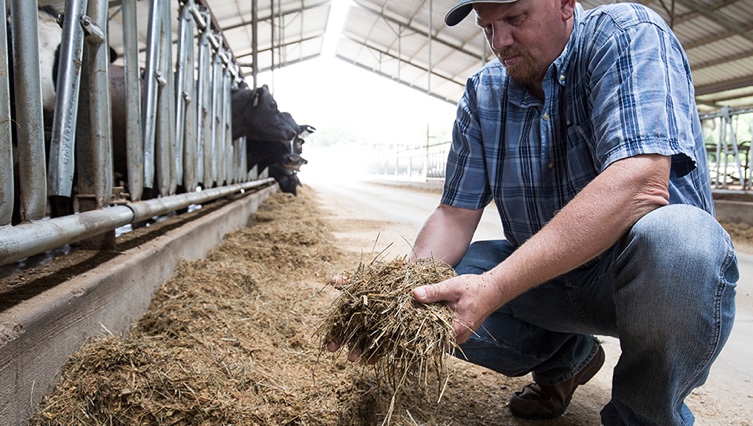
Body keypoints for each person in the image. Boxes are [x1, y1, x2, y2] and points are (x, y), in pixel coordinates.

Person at [330, 0, 738, 424]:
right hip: (549, 281)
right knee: (434, 293)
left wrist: (493, 287)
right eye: (487, 27)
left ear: (564, 4)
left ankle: (646, 416)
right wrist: (398, 293)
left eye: (514, 18)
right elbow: (454, 213)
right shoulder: (483, 92)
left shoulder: (623, 34)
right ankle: (568, 360)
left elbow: (641, 183)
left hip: (641, 278)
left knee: (682, 240)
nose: (500, 41)